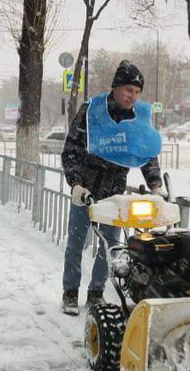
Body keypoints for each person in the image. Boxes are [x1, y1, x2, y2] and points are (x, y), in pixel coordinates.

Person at [60, 60, 165, 316]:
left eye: (137, 92)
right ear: (116, 87)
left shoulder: (137, 119)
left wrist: (155, 183)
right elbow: (71, 150)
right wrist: (76, 184)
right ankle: (70, 293)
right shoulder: (91, 111)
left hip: (115, 194)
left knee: (110, 247)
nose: (133, 96)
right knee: (76, 243)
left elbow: (146, 154)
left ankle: (96, 293)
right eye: (129, 89)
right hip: (85, 192)